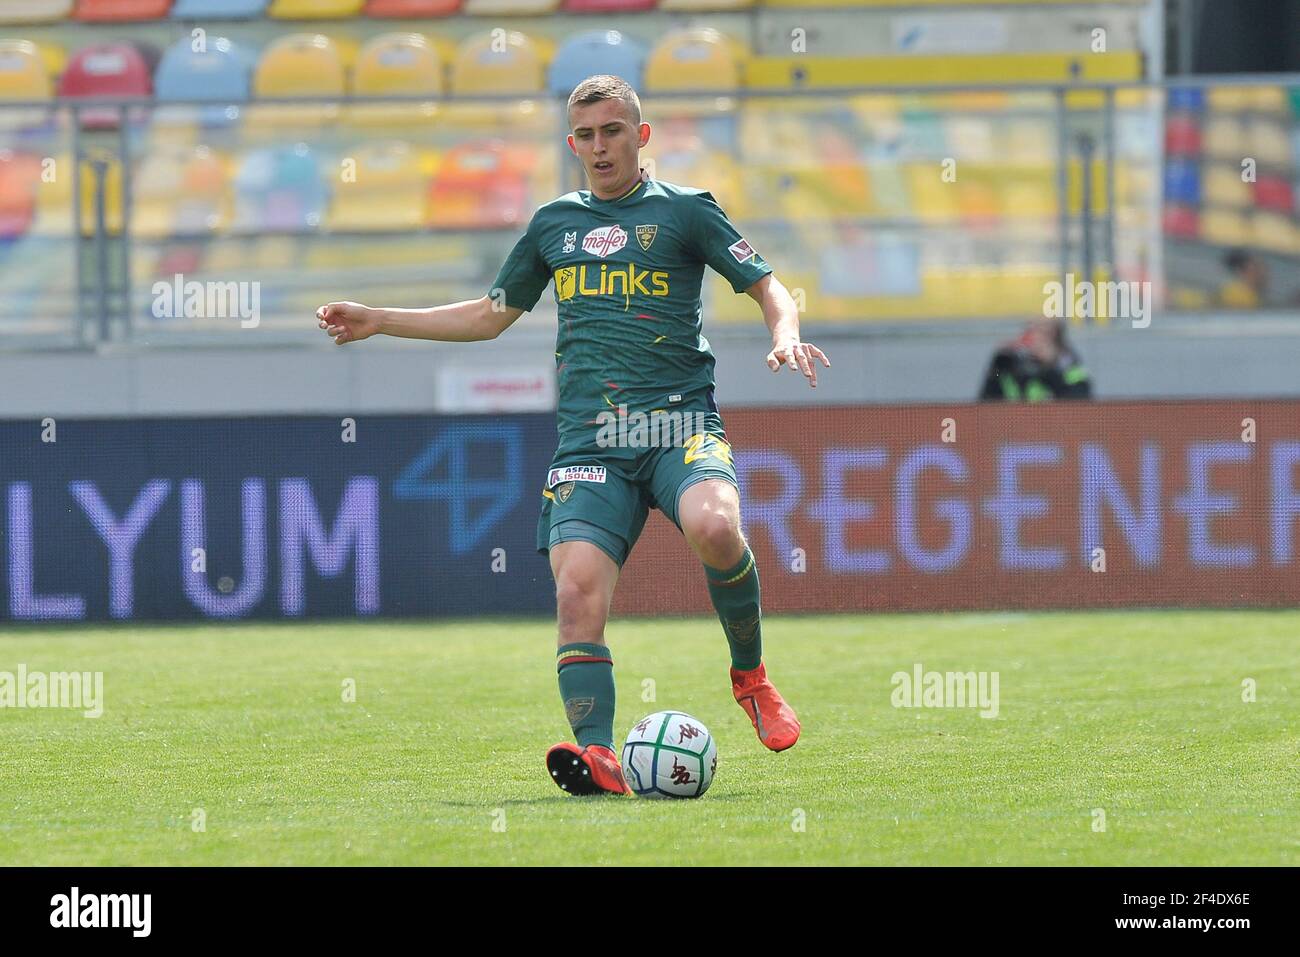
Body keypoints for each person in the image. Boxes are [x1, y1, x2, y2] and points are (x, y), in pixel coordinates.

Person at [315, 75, 829, 796]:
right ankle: (600, 756)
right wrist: (380, 319)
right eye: (585, 136)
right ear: (571, 144)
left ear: (641, 136)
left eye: (612, 131)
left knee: (717, 528)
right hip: (591, 444)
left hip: (678, 425)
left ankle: (752, 676)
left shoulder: (687, 212)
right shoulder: (554, 225)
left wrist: (787, 333)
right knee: (577, 589)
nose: (599, 146)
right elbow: (491, 313)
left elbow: (767, 284)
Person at [979, 318, 1091, 401]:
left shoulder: (1070, 366)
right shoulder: (1008, 363)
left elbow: (1078, 411)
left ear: (1056, 334)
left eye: (1043, 331)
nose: (1035, 338)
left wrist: (1050, 367)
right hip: (1014, 430)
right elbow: (986, 405)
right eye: (1030, 330)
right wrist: (998, 364)